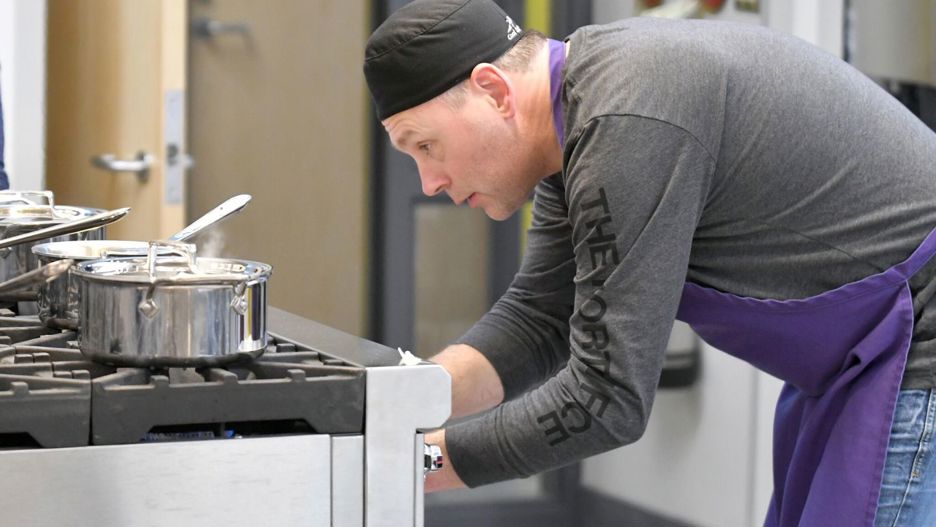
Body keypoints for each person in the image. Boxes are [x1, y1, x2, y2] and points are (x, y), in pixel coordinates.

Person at [363, 1, 936, 526]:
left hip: (917, 341)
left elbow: (603, 399)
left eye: (426, 145)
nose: (429, 181)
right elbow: (539, 317)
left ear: (493, 90)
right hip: (858, 359)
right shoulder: (582, 116)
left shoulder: (630, 121)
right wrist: (395, 405)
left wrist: (408, 461)